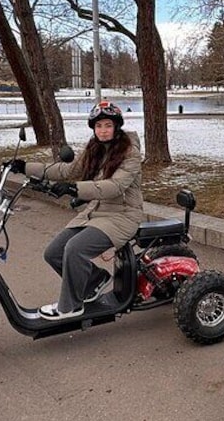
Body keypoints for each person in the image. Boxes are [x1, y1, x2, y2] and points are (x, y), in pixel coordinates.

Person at [10, 101, 143, 321]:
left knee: (75, 249)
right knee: (53, 252)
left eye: (107, 125)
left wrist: (75, 189)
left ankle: (71, 306)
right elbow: (66, 170)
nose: (103, 130)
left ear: (116, 126)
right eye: (98, 126)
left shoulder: (129, 153)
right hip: (96, 212)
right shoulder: (94, 148)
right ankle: (95, 281)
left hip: (122, 215)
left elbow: (115, 187)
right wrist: (24, 166)